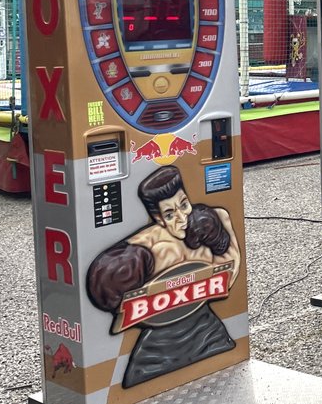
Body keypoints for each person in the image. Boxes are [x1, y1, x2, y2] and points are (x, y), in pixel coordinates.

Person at [86, 166, 240, 388]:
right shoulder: (144, 250)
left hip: (210, 336)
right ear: (157, 217)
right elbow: (109, 297)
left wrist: (219, 239)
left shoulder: (208, 220)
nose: (182, 218)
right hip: (153, 358)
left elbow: (230, 273)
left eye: (184, 205)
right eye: (170, 214)